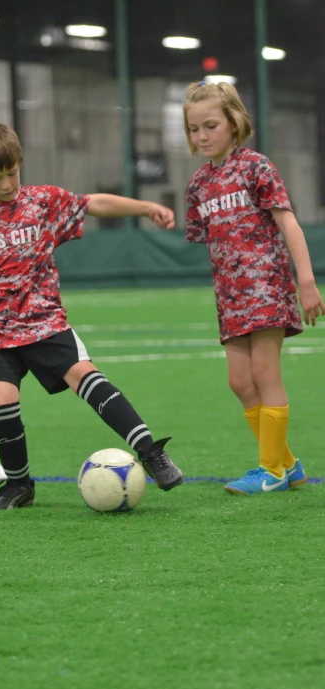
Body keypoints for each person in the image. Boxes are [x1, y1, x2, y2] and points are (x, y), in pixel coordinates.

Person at [0, 121, 183, 511]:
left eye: (12, 173)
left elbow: (95, 203)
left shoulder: (43, 201)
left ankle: (150, 451)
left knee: (86, 376)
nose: (7, 184)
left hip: (45, 322)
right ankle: (18, 485)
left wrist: (146, 208)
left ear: (20, 164)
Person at [184, 81, 325, 495]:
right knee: (240, 382)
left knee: (264, 374)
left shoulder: (256, 167)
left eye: (211, 125)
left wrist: (307, 282)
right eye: (194, 129)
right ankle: (287, 463)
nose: (202, 136)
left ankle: (271, 471)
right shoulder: (197, 185)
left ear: (234, 122)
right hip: (231, 297)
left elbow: (289, 224)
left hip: (267, 286)